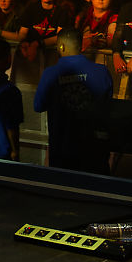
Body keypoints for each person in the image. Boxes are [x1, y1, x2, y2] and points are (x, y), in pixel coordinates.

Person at [34, 30, 115, 172]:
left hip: (62, 151)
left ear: (61, 47)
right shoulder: (102, 72)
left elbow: (38, 106)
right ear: (81, 47)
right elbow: (108, 107)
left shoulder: (50, 74)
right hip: (95, 151)